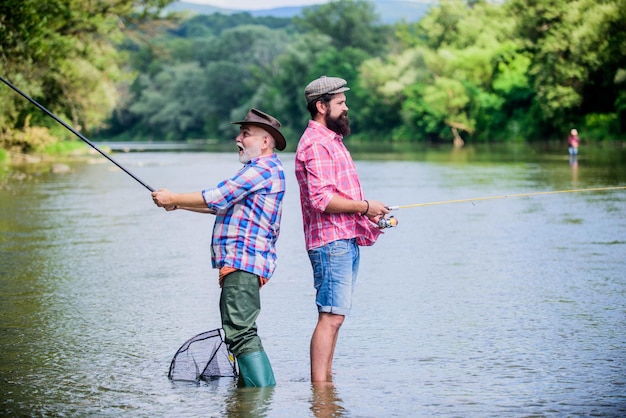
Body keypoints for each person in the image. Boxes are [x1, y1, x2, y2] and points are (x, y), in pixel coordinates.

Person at [151, 108, 286, 387]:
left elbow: (217, 196)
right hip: (243, 263)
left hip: (243, 263)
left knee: (240, 332)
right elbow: (222, 206)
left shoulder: (262, 170)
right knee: (240, 330)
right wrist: (178, 204)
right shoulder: (259, 171)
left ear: (264, 141)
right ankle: (253, 395)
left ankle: (260, 396)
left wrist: (173, 196)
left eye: (245, 134)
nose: (238, 138)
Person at [295, 76, 390, 383]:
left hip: (342, 239)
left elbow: (342, 197)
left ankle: (325, 386)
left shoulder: (331, 142)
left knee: (335, 316)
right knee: (331, 316)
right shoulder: (316, 145)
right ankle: (320, 389)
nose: (346, 108)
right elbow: (322, 200)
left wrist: (371, 216)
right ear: (321, 107)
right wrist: (365, 207)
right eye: (340, 103)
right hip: (330, 243)